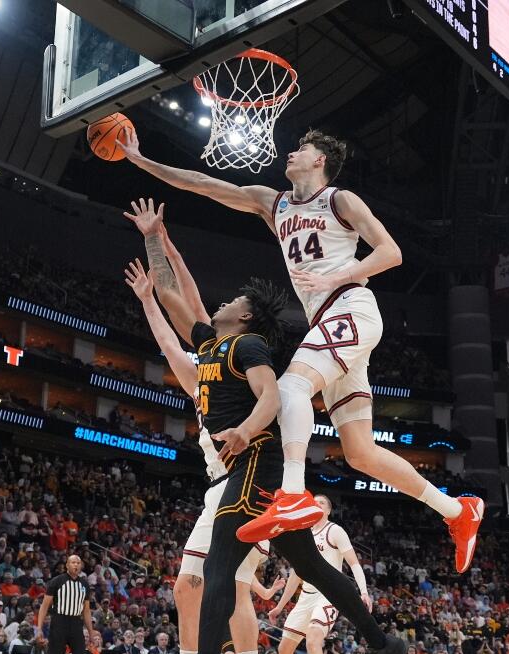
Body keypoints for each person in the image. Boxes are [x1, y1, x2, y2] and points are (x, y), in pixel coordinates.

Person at [118, 130, 483, 573]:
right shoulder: (274, 204)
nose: (291, 153)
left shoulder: (339, 200)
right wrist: (140, 160)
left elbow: (391, 253)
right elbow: (202, 184)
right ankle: (458, 512)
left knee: (290, 386)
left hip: (351, 306)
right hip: (330, 321)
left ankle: (291, 495)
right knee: (360, 453)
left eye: (302, 149)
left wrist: (337, 276)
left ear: (320, 162)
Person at [122, 201, 405, 654]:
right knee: (313, 565)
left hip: (257, 461)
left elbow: (272, 396)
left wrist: (245, 431)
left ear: (247, 314)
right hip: (253, 464)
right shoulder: (212, 343)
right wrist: (153, 236)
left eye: (232, 300)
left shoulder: (248, 344)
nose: (221, 302)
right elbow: (170, 291)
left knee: (218, 568)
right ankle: (383, 642)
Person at [124, 245, 278, 654]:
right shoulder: (201, 375)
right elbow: (173, 337)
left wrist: (165, 245)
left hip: (248, 477)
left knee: (216, 585)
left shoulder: (234, 362)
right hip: (221, 485)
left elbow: (189, 305)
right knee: (193, 588)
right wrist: (149, 296)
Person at [264, 495, 371, 654]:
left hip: (329, 593)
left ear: (329, 510)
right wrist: (279, 607)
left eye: (322, 503)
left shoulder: (335, 531)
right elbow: (296, 574)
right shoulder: (303, 534)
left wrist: (363, 592)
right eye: (314, 502)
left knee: (313, 640)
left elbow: (353, 563)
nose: (317, 504)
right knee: (284, 648)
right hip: (306, 597)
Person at [36, 554, 95, 654]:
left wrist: (91, 633)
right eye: (72, 562)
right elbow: (44, 606)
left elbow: (87, 611)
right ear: (67, 565)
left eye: (78, 562)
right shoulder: (57, 581)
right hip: (59, 623)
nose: (76, 565)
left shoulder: (84, 584)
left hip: (76, 624)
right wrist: (39, 628)